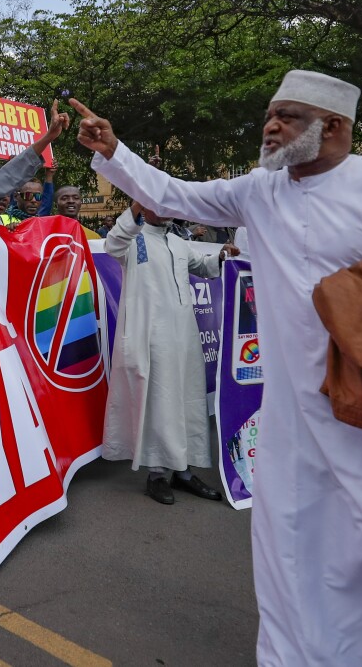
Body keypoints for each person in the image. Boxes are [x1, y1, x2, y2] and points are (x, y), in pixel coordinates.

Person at [73, 69, 362, 665]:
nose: (271, 126)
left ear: (333, 126)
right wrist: (113, 151)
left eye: (288, 116)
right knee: (290, 554)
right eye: (270, 115)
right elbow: (174, 194)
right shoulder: (258, 191)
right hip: (289, 418)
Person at [102, 201, 235, 503]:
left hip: (184, 336)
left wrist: (223, 255)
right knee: (159, 403)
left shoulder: (177, 240)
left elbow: (203, 265)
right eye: (156, 203)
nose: (165, 210)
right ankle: (157, 475)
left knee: (186, 400)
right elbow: (112, 244)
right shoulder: (132, 237)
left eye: (169, 204)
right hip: (151, 337)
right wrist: (137, 201)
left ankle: (184, 472)